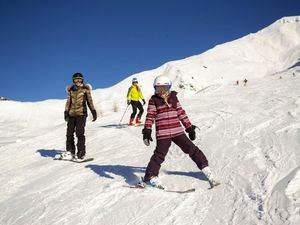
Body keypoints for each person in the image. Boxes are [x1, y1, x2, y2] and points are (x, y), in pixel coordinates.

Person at [141, 75, 220, 189]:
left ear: (169, 88)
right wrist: (147, 130)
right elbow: (150, 116)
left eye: (165, 89)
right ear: (155, 89)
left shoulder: (174, 98)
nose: (162, 92)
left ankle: (205, 168)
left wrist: (189, 128)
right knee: (159, 155)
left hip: (178, 131)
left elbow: (181, 113)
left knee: (192, 149)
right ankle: (150, 177)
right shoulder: (154, 100)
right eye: (159, 89)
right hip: (163, 134)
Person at [63, 72, 97, 161]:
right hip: (71, 115)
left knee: (79, 133)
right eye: (75, 80)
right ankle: (70, 152)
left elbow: (89, 101)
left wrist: (93, 111)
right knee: (69, 134)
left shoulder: (85, 90)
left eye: (79, 79)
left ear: (82, 80)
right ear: (73, 81)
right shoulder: (71, 91)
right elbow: (68, 103)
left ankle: (81, 153)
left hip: (81, 114)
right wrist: (66, 112)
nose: (77, 81)